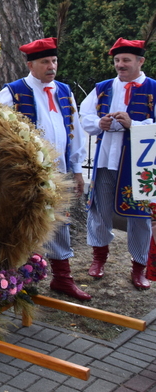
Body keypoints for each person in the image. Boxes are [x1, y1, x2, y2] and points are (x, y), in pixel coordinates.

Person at [0, 37, 90, 300]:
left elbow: (75, 132)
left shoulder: (64, 91)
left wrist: (77, 170)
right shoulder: (13, 92)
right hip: (27, 175)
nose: (52, 66)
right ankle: (19, 278)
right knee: (24, 223)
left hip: (60, 171)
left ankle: (62, 278)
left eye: (54, 61)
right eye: (45, 61)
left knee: (60, 222)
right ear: (31, 65)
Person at [79, 37, 154, 290]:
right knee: (99, 210)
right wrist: (98, 123)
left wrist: (134, 124)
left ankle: (139, 267)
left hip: (139, 165)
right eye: (117, 60)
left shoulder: (153, 89)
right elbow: (85, 115)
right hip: (105, 160)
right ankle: (99, 258)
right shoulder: (103, 88)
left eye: (126, 60)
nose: (120, 65)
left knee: (140, 216)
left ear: (140, 61)